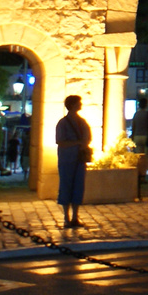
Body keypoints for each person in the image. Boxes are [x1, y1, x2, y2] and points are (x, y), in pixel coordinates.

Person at [55, 94, 93, 229]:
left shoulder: (82, 121)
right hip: (67, 159)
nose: (81, 104)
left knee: (78, 186)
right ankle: (66, 217)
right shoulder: (63, 123)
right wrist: (78, 142)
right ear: (72, 105)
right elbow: (60, 141)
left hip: (78, 158)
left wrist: (84, 144)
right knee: (66, 186)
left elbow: (88, 137)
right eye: (78, 102)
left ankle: (75, 216)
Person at [131, 96, 148, 176]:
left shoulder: (136, 114)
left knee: (139, 157)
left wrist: (132, 137)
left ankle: (138, 174)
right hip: (146, 137)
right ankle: (143, 175)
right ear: (146, 104)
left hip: (137, 137)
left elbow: (133, 126)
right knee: (146, 157)